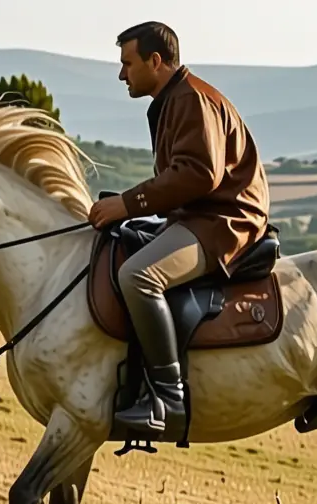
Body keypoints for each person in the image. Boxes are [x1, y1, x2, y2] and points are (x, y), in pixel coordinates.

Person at [88, 21, 271, 436]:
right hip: (198, 216)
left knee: (138, 277)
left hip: (223, 222)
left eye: (127, 63)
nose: (122, 74)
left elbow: (199, 175)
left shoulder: (191, 100)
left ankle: (167, 399)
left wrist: (127, 204)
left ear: (156, 61)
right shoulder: (177, 98)